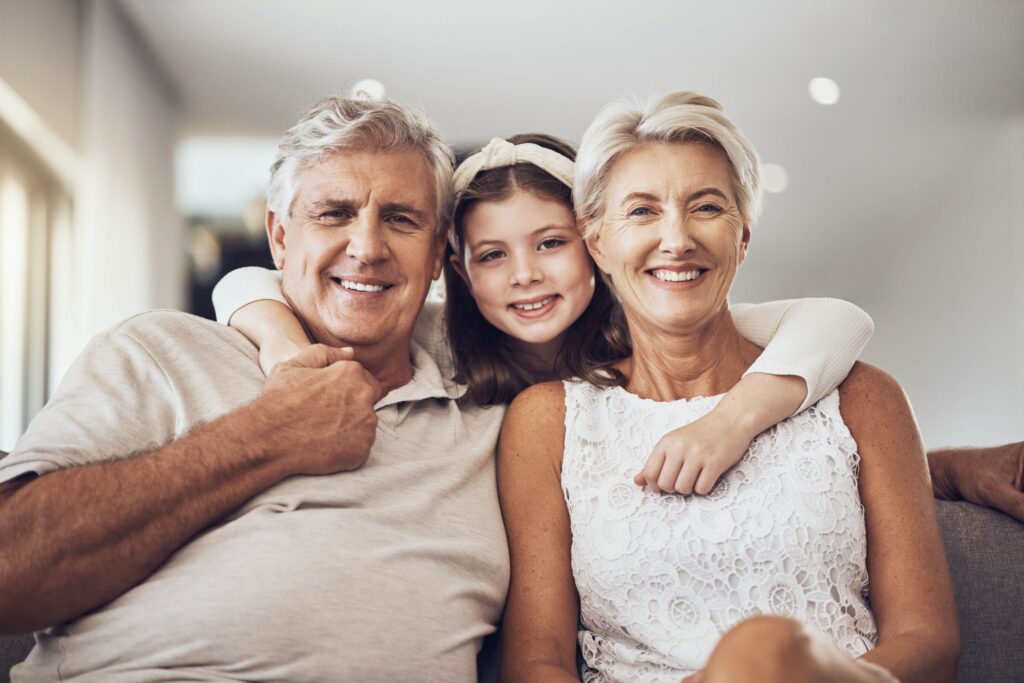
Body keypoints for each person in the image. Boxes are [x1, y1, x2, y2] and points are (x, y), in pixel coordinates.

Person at [0, 96, 510, 682]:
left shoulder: (487, 391)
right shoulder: (159, 351)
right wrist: (270, 433)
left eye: (401, 218)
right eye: (333, 214)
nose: (367, 248)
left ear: (439, 251)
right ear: (280, 237)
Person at [497, 92, 960, 682]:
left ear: (742, 236)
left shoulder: (865, 399)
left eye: (707, 207)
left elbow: (929, 644)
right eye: (641, 211)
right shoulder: (548, 421)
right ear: (598, 244)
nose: (677, 238)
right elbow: (537, 662)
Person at [213, 133, 876, 496]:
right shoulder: (434, 341)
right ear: (458, 270)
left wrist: (732, 420)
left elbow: (835, 320)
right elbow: (243, 281)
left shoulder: (645, 334)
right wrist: (280, 346)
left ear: (594, 243)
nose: (525, 274)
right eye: (493, 255)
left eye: (550, 243)